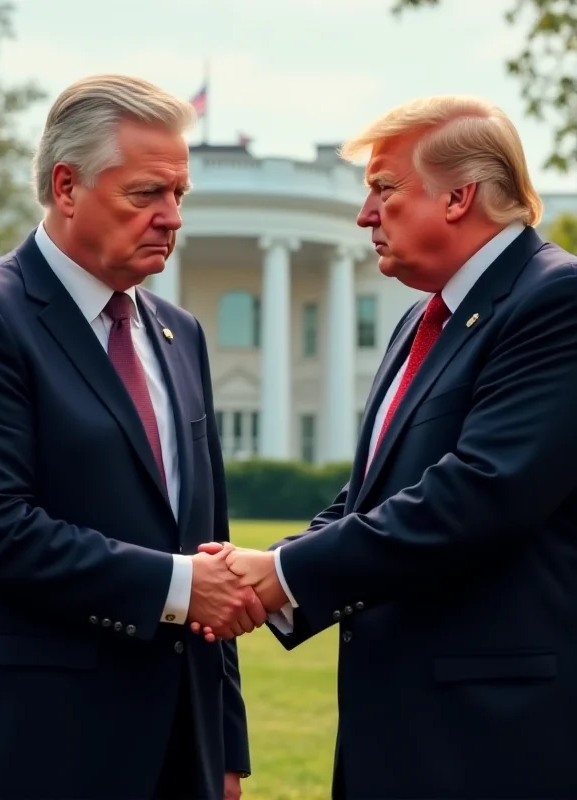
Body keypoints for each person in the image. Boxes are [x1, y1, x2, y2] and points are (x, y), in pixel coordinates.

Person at [199, 95, 577, 799]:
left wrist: (280, 574)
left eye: (384, 190)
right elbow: (372, 493)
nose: (364, 215)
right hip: (402, 730)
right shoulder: (418, 320)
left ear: (459, 196)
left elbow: (480, 493)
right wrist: (266, 572)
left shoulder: (556, 299)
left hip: (494, 739)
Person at [0, 74, 265, 800]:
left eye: (180, 195)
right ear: (67, 186)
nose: (171, 217)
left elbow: (211, 541)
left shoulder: (183, 335)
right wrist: (177, 588)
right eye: (147, 194)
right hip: (48, 745)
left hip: (187, 748)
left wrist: (227, 748)